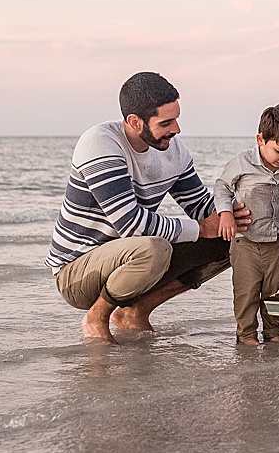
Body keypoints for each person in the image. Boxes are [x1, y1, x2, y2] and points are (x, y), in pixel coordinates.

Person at [47, 72, 250, 343]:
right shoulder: (99, 143)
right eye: (166, 122)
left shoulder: (173, 149)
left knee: (232, 236)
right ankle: (97, 316)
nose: (176, 129)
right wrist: (201, 227)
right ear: (135, 122)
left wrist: (248, 204)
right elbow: (130, 225)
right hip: (77, 271)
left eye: (177, 118)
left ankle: (135, 313)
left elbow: (202, 207)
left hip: (133, 260)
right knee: (154, 248)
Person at [212, 104, 279, 346]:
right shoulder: (242, 162)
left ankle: (272, 332)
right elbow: (221, 187)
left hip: (275, 242)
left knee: (274, 292)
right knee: (246, 292)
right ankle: (247, 334)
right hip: (245, 242)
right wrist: (225, 213)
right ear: (261, 139)